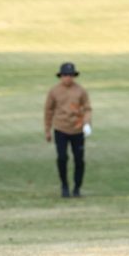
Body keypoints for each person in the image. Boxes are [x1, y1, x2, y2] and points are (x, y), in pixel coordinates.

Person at [44, 62, 93, 197]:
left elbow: (87, 109)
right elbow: (48, 111)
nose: (68, 78)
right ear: (61, 76)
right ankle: (64, 186)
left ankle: (77, 188)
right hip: (60, 128)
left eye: (70, 75)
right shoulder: (54, 91)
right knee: (62, 157)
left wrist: (86, 123)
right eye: (65, 75)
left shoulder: (81, 91)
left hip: (77, 130)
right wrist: (47, 130)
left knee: (79, 159)